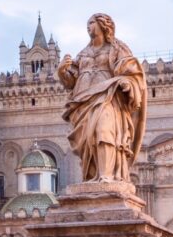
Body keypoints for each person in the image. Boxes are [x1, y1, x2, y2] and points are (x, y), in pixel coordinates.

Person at [57, 13, 146, 183]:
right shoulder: (83, 54)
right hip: (82, 102)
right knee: (88, 140)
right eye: (87, 23)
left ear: (103, 25)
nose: (88, 26)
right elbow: (70, 82)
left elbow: (133, 72)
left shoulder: (117, 48)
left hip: (108, 97)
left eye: (91, 22)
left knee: (104, 131)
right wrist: (61, 71)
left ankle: (106, 175)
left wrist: (127, 83)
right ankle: (93, 175)